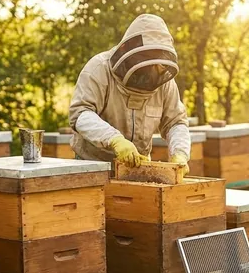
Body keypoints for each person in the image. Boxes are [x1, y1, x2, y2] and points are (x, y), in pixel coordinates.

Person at [68, 14, 191, 175]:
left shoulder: (164, 81)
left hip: (138, 169)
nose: (150, 73)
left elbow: (175, 122)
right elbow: (80, 114)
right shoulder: (98, 69)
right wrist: (115, 140)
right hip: (92, 166)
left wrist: (180, 153)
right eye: (147, 62)